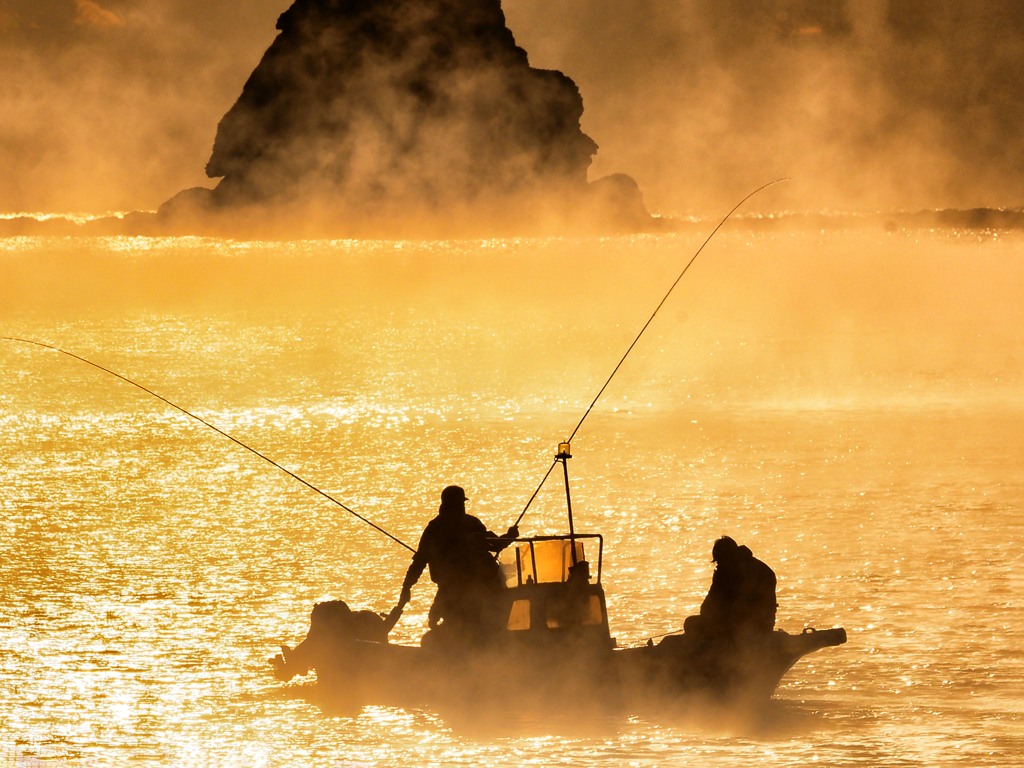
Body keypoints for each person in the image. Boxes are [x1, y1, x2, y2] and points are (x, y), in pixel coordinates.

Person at [396, 485, 519, 644]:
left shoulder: (439, 528)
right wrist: (510, 536)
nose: (462, 507)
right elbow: (496, 545)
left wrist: (406, 588)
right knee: (467, 631)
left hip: (465, 591)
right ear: (452, 505)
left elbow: (418, 563)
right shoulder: (455, 526)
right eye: (459, 504)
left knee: (456, 629)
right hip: (461, 591)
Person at [689, 535, 778, 642]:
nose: (718, 565)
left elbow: (743, 605)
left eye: (720, 561)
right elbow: (712, 601)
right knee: (692, 623)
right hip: (743, 623)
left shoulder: (750, 572)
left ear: (729, 557)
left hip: (752, 626)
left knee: (695, 624)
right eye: (717, 562)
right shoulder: (726, 570)